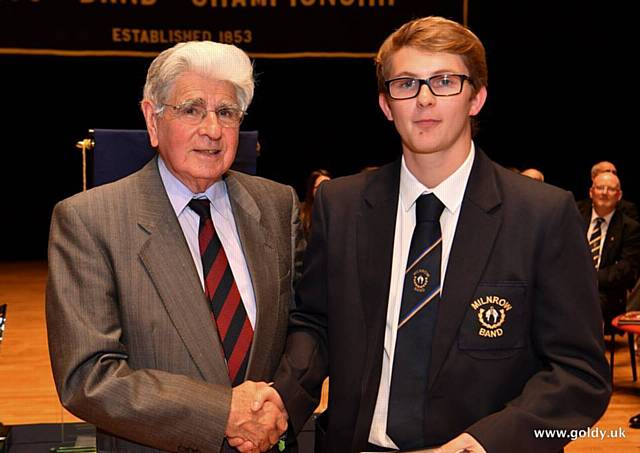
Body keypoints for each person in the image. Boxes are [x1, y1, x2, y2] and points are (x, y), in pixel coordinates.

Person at [268, 16, 611, 453]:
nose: (424, 99)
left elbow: (581, 374)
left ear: (476, 98)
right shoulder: (343, 205)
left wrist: (484, 443)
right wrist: (282, 399)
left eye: (445, 81)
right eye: (406, 83)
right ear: (386, 104)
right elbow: (315, 325)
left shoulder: (543, 213)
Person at [46, 41, 304, 453]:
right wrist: (223, 412)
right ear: (152, 119)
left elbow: (304, 326)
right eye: (192, 109)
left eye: (226, 112)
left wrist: (280, 405)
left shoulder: (277, 205)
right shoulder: (89, 220)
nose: (212, 130)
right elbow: (88, 377)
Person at [577, 171, 640, 329]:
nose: (604, 193)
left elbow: (626, 268)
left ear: (619, 195)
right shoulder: (574, 217)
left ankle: (584, 350)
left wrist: (590, 279)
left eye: (610, 189)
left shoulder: (629, 227)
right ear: (591, 192)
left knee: (588, 302)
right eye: (600, 188)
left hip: (605, 291)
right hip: (570, 283)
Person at [299, 169, 331, 240]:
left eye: (329, 187)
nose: (325, 191)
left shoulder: (334, 211)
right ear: (312, 189)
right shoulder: (301, 210)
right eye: (321, 186)